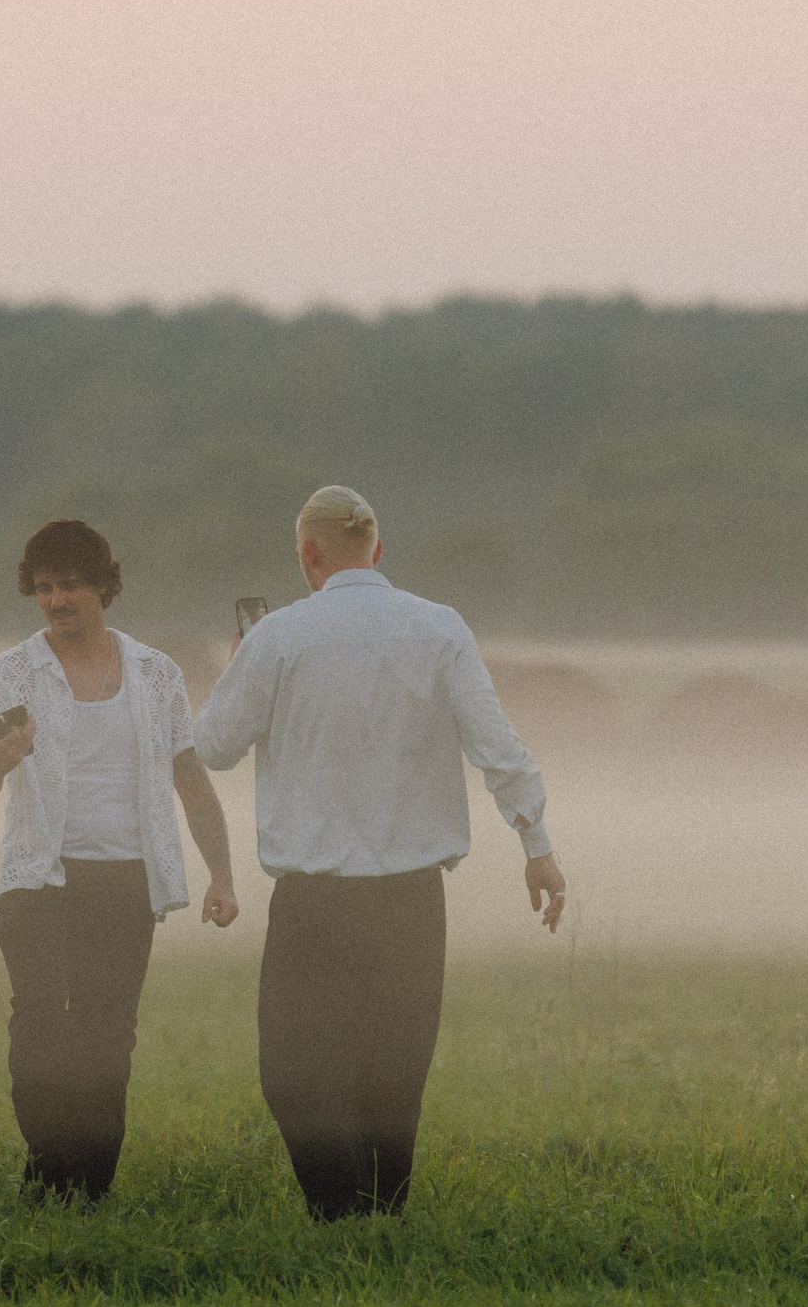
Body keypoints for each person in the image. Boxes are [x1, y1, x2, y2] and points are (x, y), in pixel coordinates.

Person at [195, 486, 566, 1220]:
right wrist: (538, 846)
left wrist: (239, 665)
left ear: (307, 554)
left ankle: (338, 1217)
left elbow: (213, 745)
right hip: (412, 895)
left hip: (314, 898)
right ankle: (380, 1219)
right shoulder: (440, 628)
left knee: (295, 1072)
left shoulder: (277, 638)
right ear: (378, 550)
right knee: (394, 1074)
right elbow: (498, 748)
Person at [0, 519, 238, 1200]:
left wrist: (222, 874)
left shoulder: (154, 675)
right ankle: (50, 1168)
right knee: (39, 1033)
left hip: (125, 882)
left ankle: (88, 1189)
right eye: (46, 587)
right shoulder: (13, 674)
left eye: (72, 586)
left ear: (105, 587)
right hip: (40, 880)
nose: (57, 600)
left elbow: (192, 780)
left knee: (108, 1039)